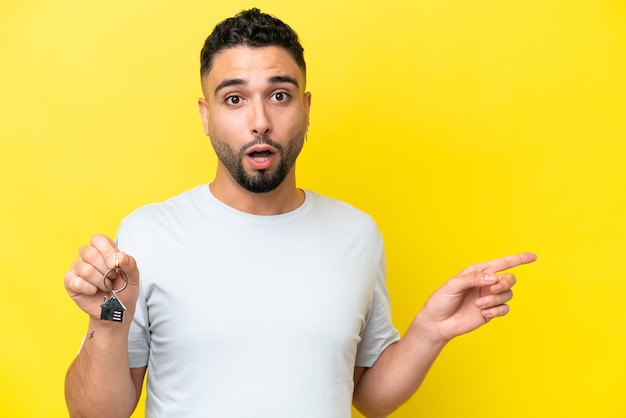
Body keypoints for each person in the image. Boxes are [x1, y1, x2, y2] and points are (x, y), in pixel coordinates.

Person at [64, 8, 536, 418]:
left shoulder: (357, 234)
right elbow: (94, 412)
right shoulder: (148, 235)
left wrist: (429, 331)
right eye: (234, 98)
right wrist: (108, 324)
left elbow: (370, 398)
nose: (260, 121)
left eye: (280, 95)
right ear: (206, 115)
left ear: (305, 109)